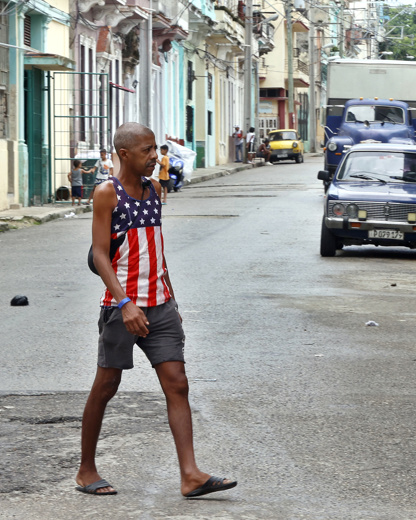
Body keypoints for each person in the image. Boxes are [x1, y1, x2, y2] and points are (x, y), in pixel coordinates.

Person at [76, 122, 237, 498]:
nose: (154, 156)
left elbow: (155, 250)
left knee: (177, 383)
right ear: (125, 154)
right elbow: (99, 254)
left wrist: (172, 299)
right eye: (147, 150)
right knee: (106, 386)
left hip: (160, 304)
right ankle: (86, 470)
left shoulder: (154, 189)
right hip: (122, 308)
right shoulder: (107, 193)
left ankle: (190, 475)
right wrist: (125, 303)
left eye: (155, 148)